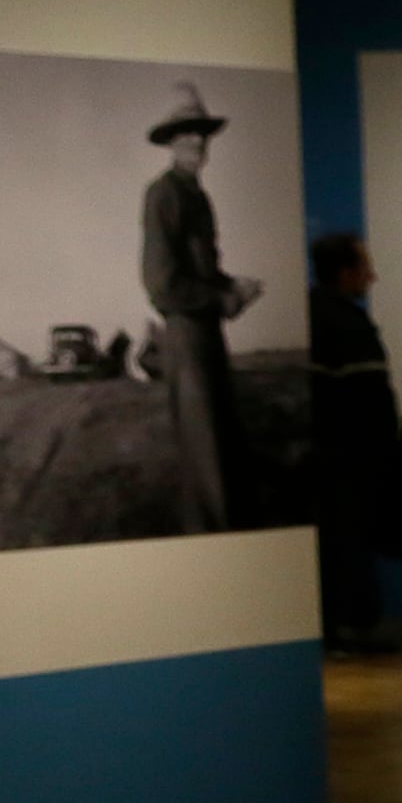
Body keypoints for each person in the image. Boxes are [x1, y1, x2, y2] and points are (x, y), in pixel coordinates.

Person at [140, 84, 260, 532]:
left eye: (201, 133)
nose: (196, 141)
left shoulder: (198, 196)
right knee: (206, 460)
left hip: (208, 335)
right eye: (186, 133)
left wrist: (236, 286)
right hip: (186, 338)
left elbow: (204, 273)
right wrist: (224, 299)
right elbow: (161, 286)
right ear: (171, 142)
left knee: (224, 453)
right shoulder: (163, 194)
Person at [306, 232, 402, 653]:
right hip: (351, 459)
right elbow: (370, 399)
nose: (373, 276)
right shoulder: (347, 325)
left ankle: (338, 626)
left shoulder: (314, 316)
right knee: (346, 542)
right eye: (365, 267)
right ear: (346, 273)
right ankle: (345, 627)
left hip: (331, 457)